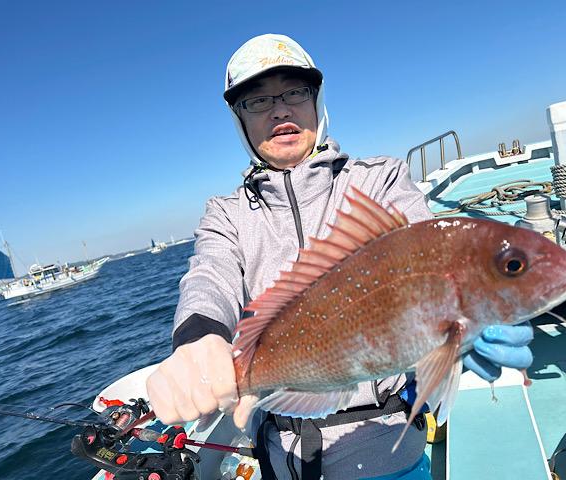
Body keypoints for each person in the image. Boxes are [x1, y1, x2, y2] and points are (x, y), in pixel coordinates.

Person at [146, 33, 534, 479]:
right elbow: (209, 278)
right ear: (240, 119)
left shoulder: (379, 181)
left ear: (317, 100)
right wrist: (198, 339)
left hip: (389, 452)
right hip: (282, 460)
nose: (280, 110)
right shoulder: (226, 214)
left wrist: (462, 329)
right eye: (258, 100)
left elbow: (429, 255)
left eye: (295, 92)